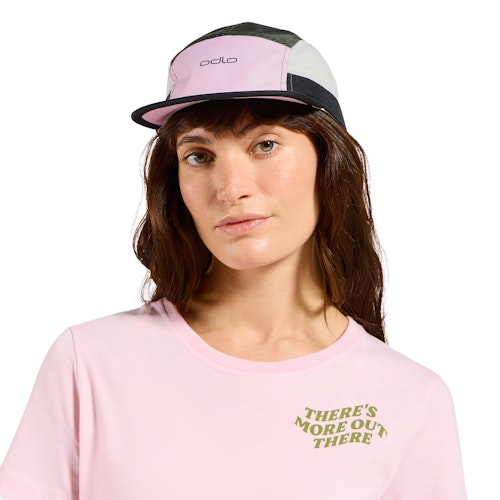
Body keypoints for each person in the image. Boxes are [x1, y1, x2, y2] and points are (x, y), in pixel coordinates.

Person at [0, 22, 467, 499]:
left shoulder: (409, 397)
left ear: (329, 162)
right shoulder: (89, 362)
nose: (230, 188)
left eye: (265, 145)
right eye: (199, 156)